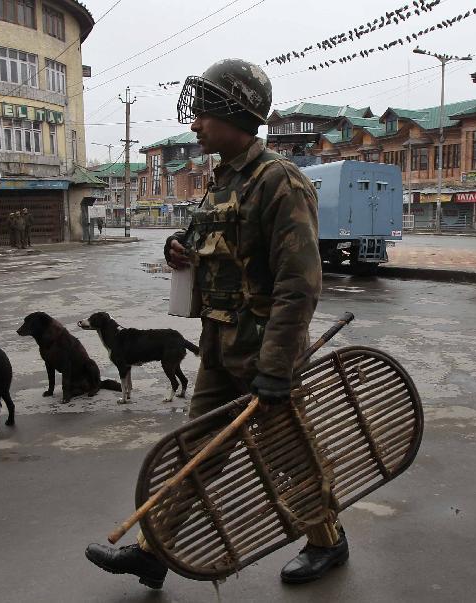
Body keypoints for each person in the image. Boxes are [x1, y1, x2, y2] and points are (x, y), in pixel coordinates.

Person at [84, 58, 347, 589]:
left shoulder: (281, 182)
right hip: (219, 344)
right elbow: (212, 246)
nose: (195, 125)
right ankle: (155, 551)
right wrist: (180, 249)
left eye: (203, 114)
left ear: (235, 112)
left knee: (287, 452)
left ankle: (326, 541)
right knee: (195, 448)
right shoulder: (223, 181)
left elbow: (299, 285)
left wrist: (275, 368)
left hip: (263, 352)